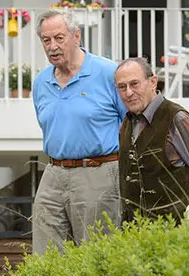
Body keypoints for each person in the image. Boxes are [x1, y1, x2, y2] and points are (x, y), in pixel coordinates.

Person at [32, 9, 126, 254]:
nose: (52, 46)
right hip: (52, 173)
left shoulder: (108, 73)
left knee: (97, 254)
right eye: (46, 40)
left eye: (59, 38)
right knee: (46, 256)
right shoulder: (40, 82)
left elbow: (131, 124)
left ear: (76, 36)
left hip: (98, 171)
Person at [115, 57, 189, 221]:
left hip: (172, 233)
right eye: (122, 87)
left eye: (135, 84)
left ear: (153, 82)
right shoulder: (126, 124)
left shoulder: (176, 118)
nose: (128, 92)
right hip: (134, 233)